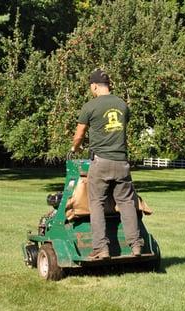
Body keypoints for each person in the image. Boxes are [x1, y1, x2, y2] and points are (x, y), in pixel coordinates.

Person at [71, 68, 144, 260]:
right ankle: (136, 245)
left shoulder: (90, 106)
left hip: (101, 162)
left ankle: (101, 248)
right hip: (121, 162)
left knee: (96, 204)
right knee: (127, 203)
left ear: (94, 86)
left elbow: (79, 134)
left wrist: (75, 148)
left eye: (91, 87)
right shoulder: (122, 104)